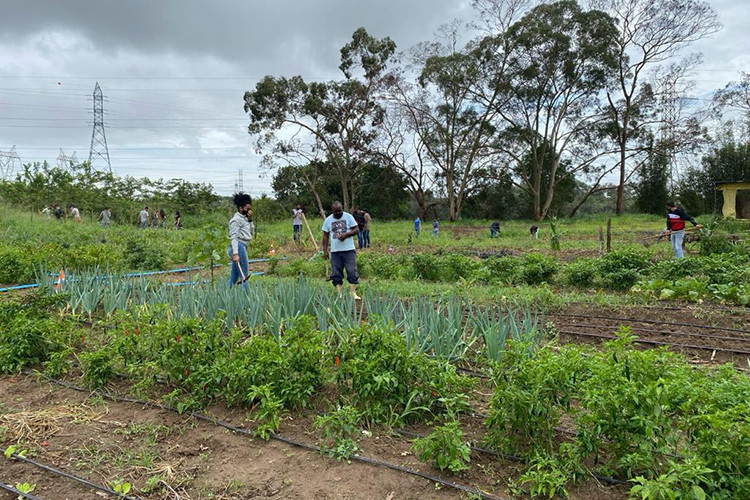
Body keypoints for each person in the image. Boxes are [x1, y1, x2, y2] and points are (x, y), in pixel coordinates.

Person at [322, 201, 360, 299]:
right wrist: (325, 250)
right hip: (335, 251)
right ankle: (339, 294)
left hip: (349, 250)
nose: (338, 213)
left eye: (340, 211)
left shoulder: (348, 217)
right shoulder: (328, 220)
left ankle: (352, 293)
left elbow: (356, 229)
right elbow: (325, 236)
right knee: (336, 273)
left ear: (342, 209)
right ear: (332, 211)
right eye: (336, 211)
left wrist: (346, 235)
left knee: (351, 271)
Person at [228, 192, 254, 288]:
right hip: (239, 246)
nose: (249, 211)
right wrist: (235, 253)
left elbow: (251, 232)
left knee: (234, 276)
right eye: (247, 209)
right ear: (240, 208)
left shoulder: (245, 219)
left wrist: (250, 220)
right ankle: (246, 298)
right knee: (244, 275)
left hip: (243, 245)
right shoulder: (235, 220)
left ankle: (226, 294)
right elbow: (233, 237)